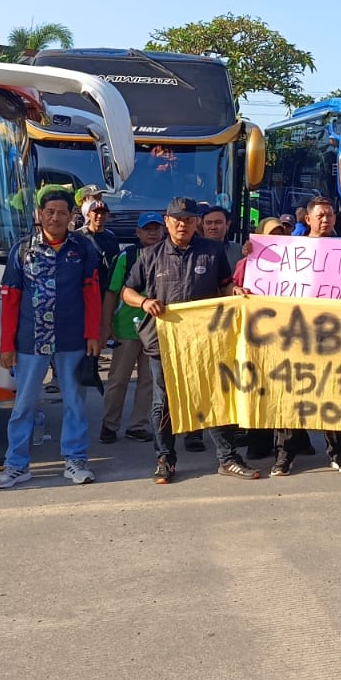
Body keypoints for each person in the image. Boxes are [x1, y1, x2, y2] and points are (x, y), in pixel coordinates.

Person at [122, 196, 260, 484]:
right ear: (167, 222)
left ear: (196, 222)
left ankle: (227, 458)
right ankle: (165, 459)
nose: (182, 224)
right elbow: (127, 292)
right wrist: (144, 302)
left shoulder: (212, 252)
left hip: (205, 340)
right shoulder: (149, 255)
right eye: (177, 219)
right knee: (164, 402)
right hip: (163, 341)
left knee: (212, 396)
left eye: (188, 219)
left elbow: (225, 284)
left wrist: (235, 291)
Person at [0, 187, 103, 490]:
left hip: (72, 339)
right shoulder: (22, 250)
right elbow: (11, 299)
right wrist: (6, 345)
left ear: (71, 216)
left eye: (62, 212)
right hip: (30, 340)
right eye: (50, 211)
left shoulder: (83, 249)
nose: (55, 217)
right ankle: (16, 465)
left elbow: (92, 294)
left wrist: (93, 334)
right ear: (39, 214)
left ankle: (76, 459)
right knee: (24, 405)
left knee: (75, 402)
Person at [272, 196, 341, 474]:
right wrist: (253, 255)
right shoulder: (290, 250)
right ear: (307, 219)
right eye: (320, 215)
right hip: (296, 336)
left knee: (337, 395)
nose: (326, 220)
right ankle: (285, 453)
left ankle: (339, 453)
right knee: (292, 395)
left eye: (330, 215)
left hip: (337, 336)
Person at [99, 212, 163, 444]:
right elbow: (111, 293)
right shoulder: (126, 256)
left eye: (156, 228)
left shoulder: (168, 254)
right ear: (138, 232)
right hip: (126, 329)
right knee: (118, 380)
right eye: (148, 229)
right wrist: (106, 327)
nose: (153, 233)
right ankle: (109, 424)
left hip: (155, 330)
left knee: (148, 381)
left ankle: (138, 425)